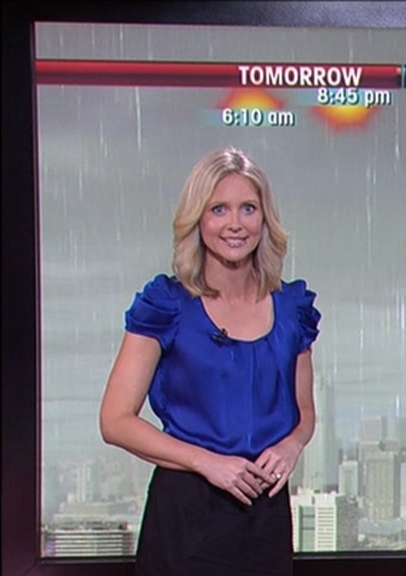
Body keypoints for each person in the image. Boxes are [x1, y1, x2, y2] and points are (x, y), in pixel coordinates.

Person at [99, 147, 321, 575]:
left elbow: (304, 412)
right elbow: (115, 421)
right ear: (197, 219)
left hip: (265, 516)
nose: (235, 224)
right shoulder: (167, 305)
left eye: (248, 208)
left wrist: (291, 445)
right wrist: (207, 462)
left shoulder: (292, 310)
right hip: (187, 513)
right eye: (219, 209)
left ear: (264, 218)